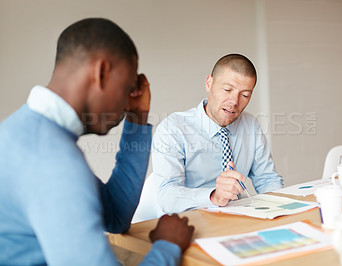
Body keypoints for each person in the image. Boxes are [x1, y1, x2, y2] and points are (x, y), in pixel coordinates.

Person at [0, 18, 194, 265]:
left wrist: (137, 120)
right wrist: (168, 246)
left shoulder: (26, 131)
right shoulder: (53, 161)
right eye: (126, 88)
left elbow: (115, 215)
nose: (126, 104)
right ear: (101, 73)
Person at [152, 54, 283, 213]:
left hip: (234, 219)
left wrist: (281, 207)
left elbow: (267, 179)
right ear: (209, 83)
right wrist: (214, 196)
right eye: (227, 89)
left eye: (245, 95)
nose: (234, 101)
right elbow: (167, 196)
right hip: (188, 221)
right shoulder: (173, 129)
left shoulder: (251, 125)